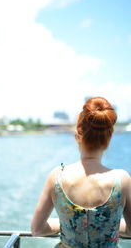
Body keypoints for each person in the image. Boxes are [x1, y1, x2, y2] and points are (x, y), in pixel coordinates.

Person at [31, 97, 131, 247]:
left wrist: (68, 224)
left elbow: (37, 229)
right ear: (109, 137)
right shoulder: (121, 180)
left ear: (78, 135)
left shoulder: (56, 177)